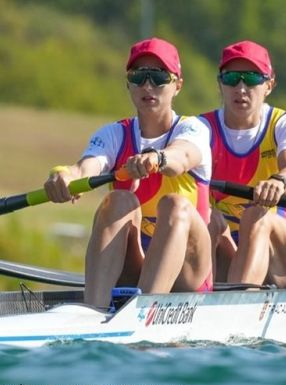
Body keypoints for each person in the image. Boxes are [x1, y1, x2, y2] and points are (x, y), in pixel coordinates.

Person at [44, 38, 212, 308]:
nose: (147, 85)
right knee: (117, 201)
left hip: (188, 273)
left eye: (158, 77)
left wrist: (157, 158)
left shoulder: (193, 129)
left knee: (174, 205)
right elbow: (86, 167)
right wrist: (65, 176)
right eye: (138, 77)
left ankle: (142, 312)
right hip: (134, 264)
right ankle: (93, 313)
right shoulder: (114, 134)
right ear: (128, 85)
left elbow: (181, 157)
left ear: (177, 85)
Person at [202, 40, 286, 288]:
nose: (241, 88)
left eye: (252, 78)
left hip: (284, 254)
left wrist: (280, 180)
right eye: (232, 78)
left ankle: (234, 306)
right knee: (207, 218)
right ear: (220, 84)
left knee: (256, 214)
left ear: (269, 84)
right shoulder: (200, 128)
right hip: (229, 247)